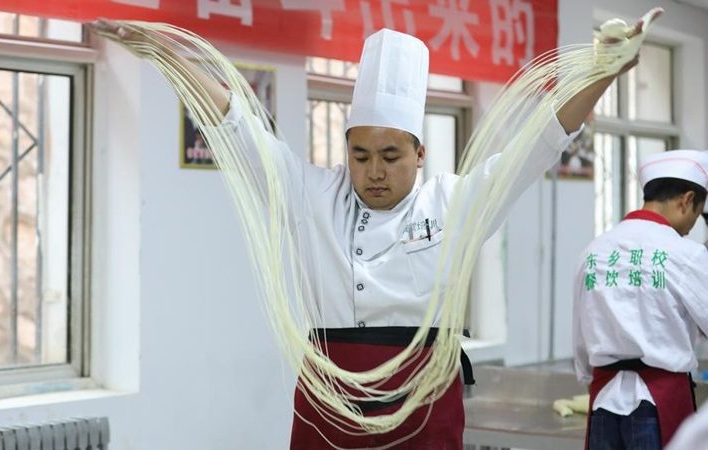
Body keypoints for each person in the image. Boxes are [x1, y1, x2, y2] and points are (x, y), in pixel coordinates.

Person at [92, 16, 647, 449]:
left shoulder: (456, 203)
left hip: (422, 393)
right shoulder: (308, 194)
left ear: (419, 152)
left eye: (390, 155)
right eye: (360, 155)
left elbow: (543, 137)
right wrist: (164, 54)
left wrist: (603, 71)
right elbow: (237, 126)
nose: (374, 172)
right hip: (329, 398)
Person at [573, 149, 708, 450]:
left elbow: (580, 336)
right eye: (697, 216)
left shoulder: (594, 251)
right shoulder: (685, 255)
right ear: (686, 201)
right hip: (659, 403)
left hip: (603, 401)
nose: (691, 227)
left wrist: (587, 370)